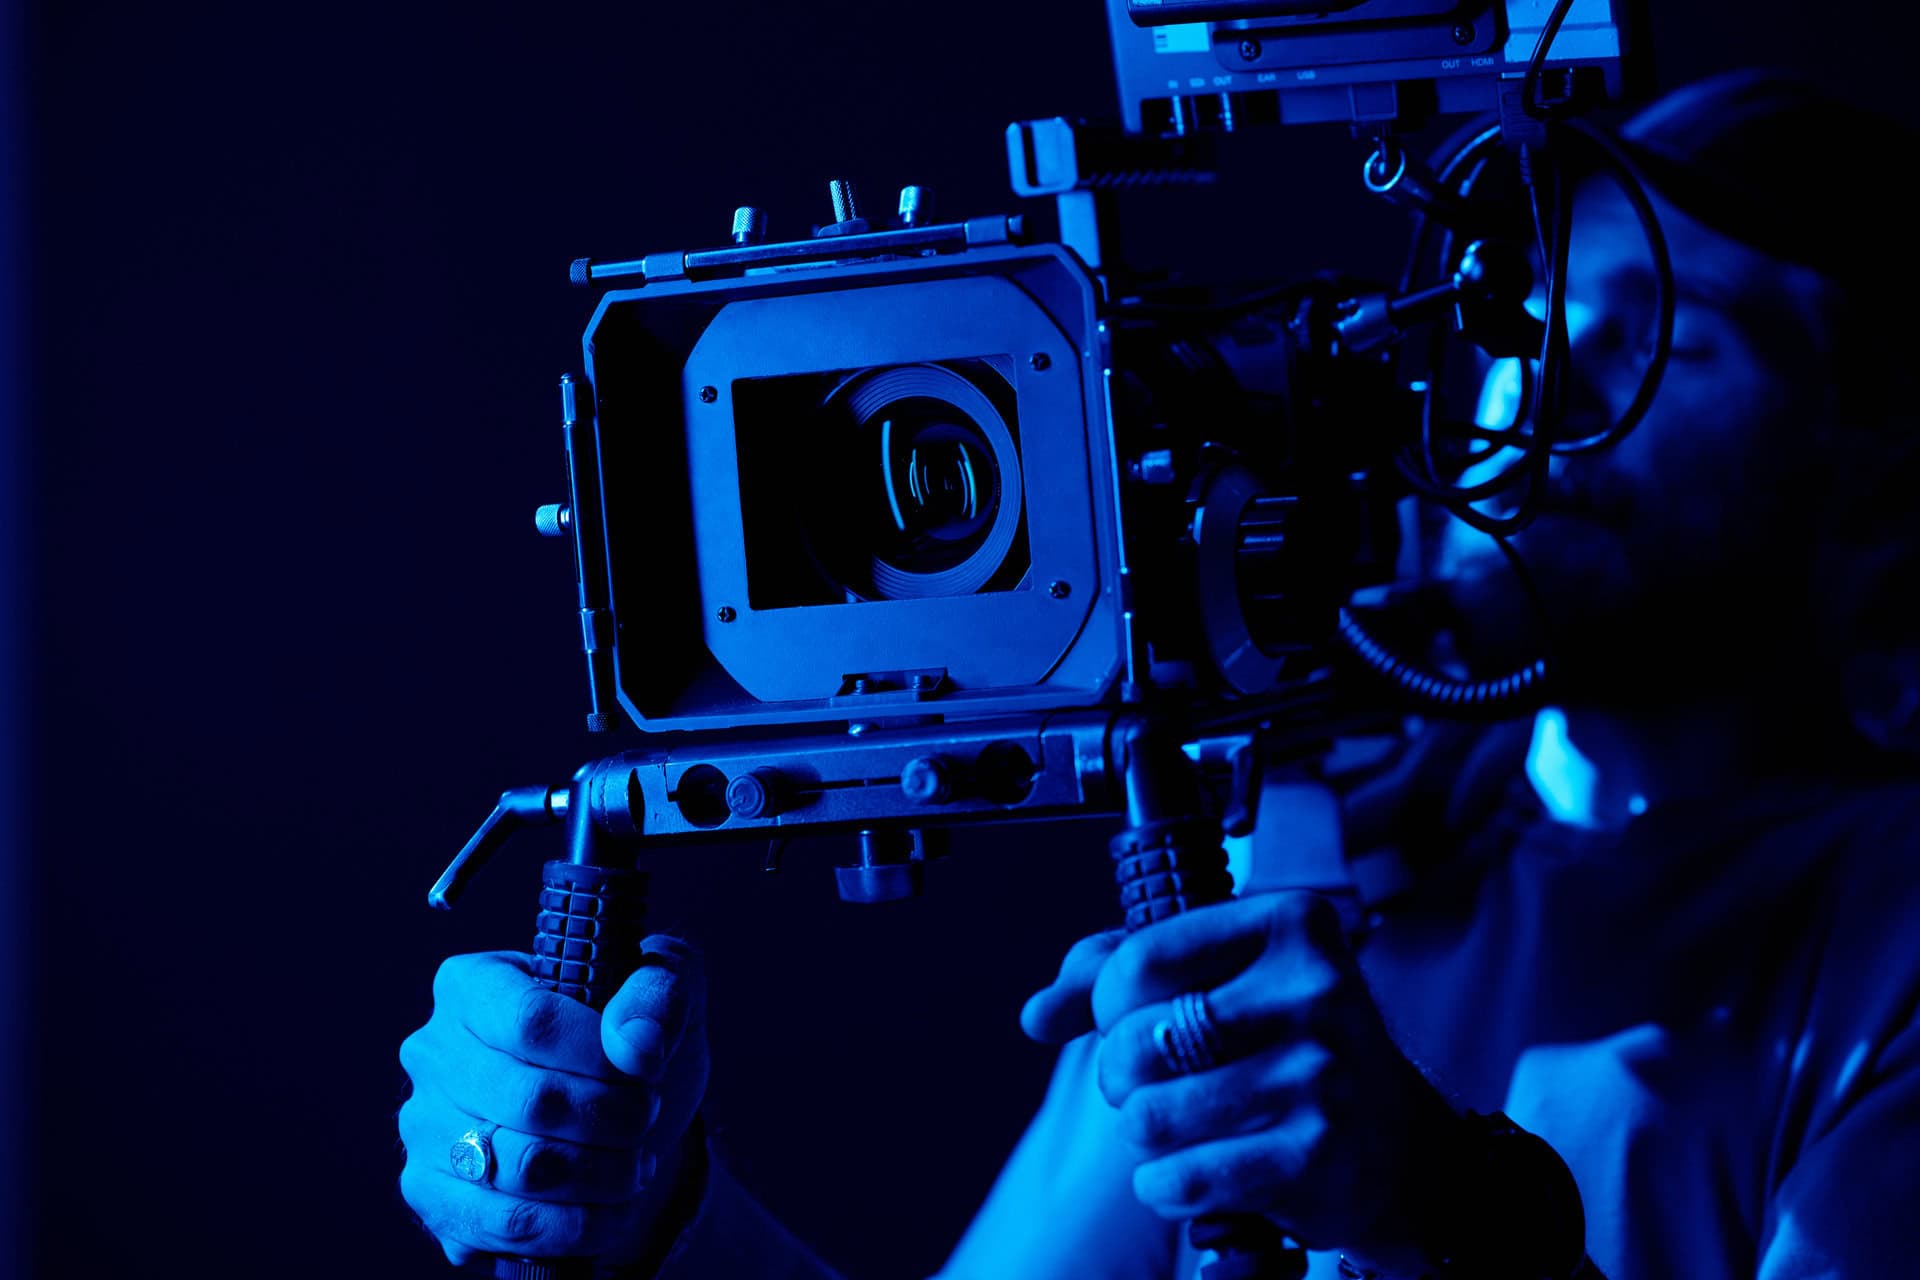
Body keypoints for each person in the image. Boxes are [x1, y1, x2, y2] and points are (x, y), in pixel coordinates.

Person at [396, 70, 1920, 1278]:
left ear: (1873, 485)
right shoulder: (1314, 865)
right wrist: (662, 1210)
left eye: (1667, 340)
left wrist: (1434, 1209)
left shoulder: (1890, 941)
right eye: (1532, 311)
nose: (1536, 382)